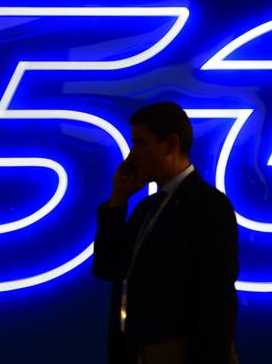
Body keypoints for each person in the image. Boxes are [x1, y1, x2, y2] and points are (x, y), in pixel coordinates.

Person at [92, 101, 240, 364]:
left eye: (141, 143)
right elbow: (107, 267)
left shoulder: (208, 206)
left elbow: (217, 304)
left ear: (171, 144)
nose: (132, 155)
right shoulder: (147, 209)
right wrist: (118, 201)